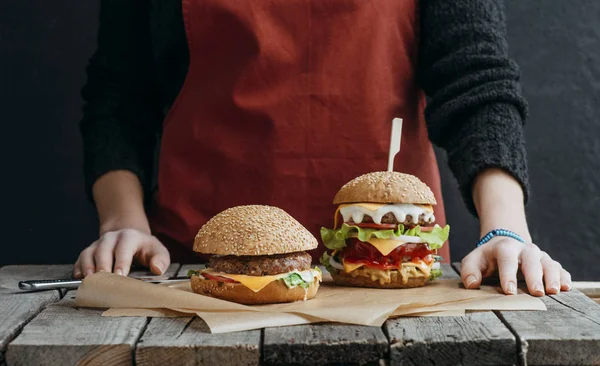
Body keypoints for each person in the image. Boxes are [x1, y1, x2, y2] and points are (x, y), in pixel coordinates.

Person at [75, 0, 571, 297]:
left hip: (397, 267)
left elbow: (476, 77)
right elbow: (120, 91)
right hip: (193, 268)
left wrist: (505, 229)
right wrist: (123, 224)